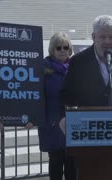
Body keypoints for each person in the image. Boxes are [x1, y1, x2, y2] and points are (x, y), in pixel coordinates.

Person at [37, 32, 77, 180]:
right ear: (52, 49)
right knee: (56, 161)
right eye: (58, 47)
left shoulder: (75, 66)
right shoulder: (43, 68)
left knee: (72, 163)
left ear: (70, 49)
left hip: (72, 121)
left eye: (65, 47)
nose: (62, 50)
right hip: (51, 121)